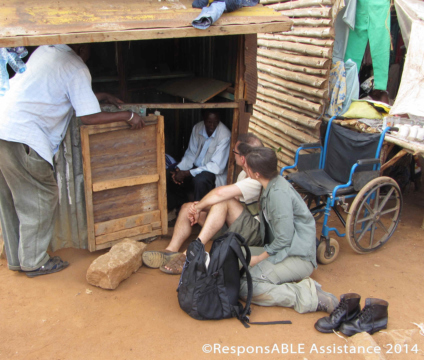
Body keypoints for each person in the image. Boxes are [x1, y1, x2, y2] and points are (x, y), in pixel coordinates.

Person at [0, 44, 145, 277]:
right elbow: (88, 117)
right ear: (83, 47)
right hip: (20, 133)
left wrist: (101, 95)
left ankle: (18, 259)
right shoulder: (77, 67)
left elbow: (60, 92)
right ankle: (34, 261)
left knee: (9, 195)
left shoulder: (47, 50)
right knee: (41, 195)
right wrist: (129, 115)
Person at [188, 146, 338, 314]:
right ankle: (277, 279)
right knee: (230, 260)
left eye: (248, 167)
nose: (245, 167)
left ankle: (308, 295)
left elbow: (284, 239)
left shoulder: (278, 194)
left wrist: (259, 258)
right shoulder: (270, 184)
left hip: (297, 256)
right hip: (280, 250)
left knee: (245, 287)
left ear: (257, 174)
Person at [142, 133, 263, 273]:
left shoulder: (257, 178)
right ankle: (170, 250)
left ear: (242, 158)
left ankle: (189, 255)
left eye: (235, 151)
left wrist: (199, 207)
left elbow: (221, 194)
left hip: (252, 234)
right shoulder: (244, 174)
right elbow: (231, 202)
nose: (233, 154)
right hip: (235, 226)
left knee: (223, 201)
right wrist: (196, 208)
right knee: (188, 207)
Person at [167, 110, 231, 212]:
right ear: (204, 120)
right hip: (196, 168)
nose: (212, 125)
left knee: (200, 180)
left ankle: (198, 213)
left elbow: (216, 167)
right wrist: (179, 170)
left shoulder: (225, 135)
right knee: (170, 174)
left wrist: (188, 173)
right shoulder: (197, 128)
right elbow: (191, 154)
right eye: (209, 122)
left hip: (212, 172)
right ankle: (180, 208)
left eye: (216, 122)